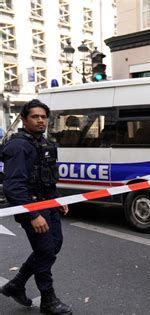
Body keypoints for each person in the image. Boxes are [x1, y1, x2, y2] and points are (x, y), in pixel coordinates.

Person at [0, 100, 73, 314]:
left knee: (54, 245)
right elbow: (13, 187)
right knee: (45, 251)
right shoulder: (18, 146)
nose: (41, 120)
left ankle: (16, 285)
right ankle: (48, 300)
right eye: (35, 117)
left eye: (43, 117)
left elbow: (47, 179)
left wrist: (58, 200)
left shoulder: (43, 143)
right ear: (24, 119)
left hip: (47, 204)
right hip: (30, 206)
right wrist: (33, 214)